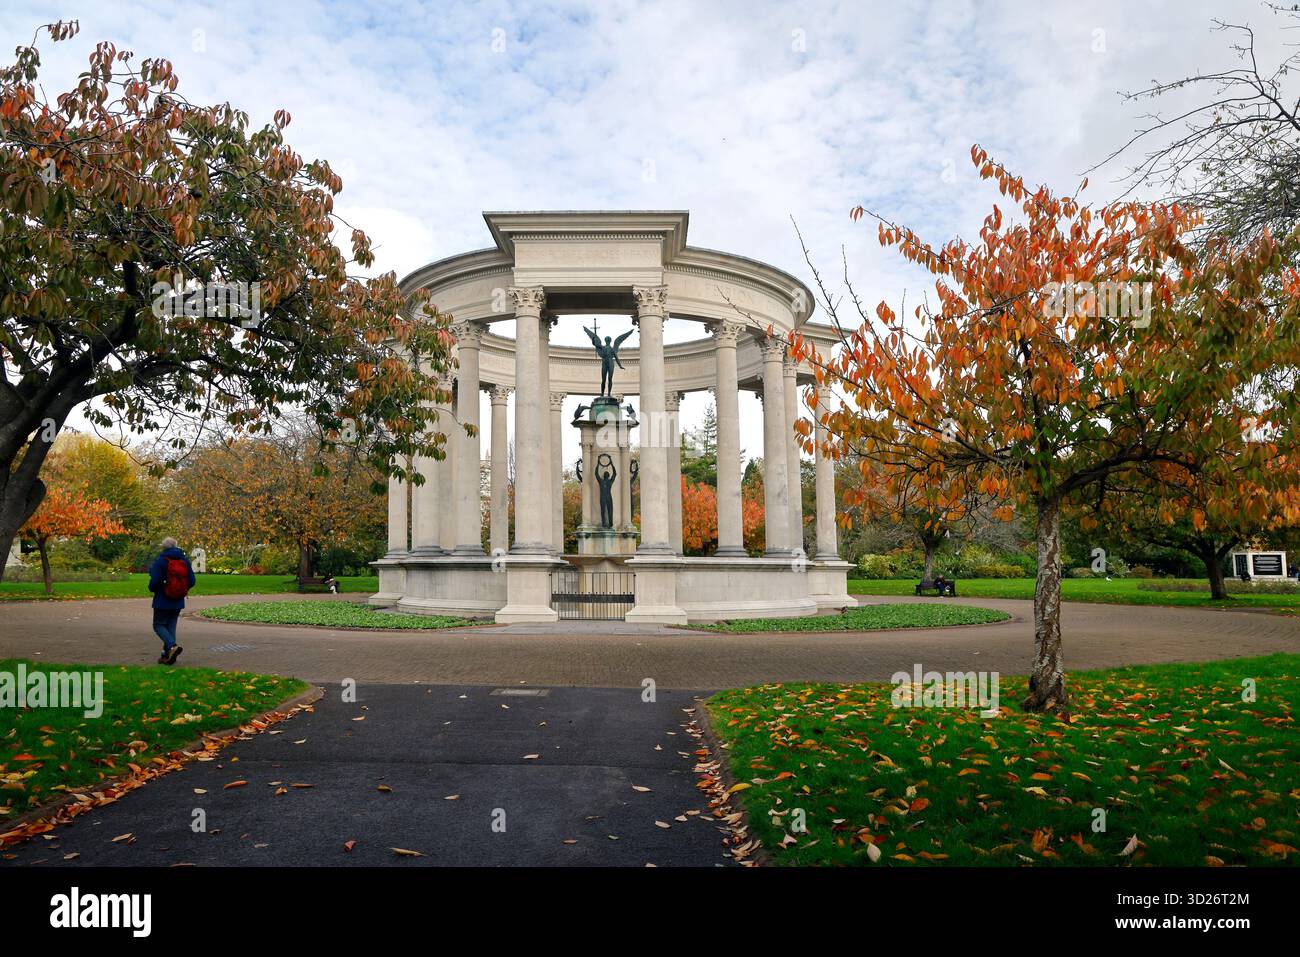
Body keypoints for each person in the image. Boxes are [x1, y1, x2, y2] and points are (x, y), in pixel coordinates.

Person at [147, 537, 195, 665]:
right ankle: (167, 655)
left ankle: (172, 646)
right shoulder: (184, 561)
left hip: (162, 599)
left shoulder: (161, 560)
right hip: (178, 600)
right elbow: (192, 581)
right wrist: (182, 589)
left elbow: (155, 580)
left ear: (164, 547)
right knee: (171, 626)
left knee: (158, 625)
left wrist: (152, 588)